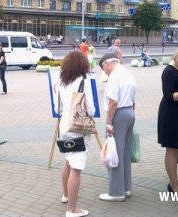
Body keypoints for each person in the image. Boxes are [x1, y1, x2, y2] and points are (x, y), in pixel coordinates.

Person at [57, 51, 95, 217]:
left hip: (64, 126)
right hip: (78, 129)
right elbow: (91, 109)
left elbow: (58, 108)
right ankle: (72, 209)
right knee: (76, 168)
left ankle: (66, 195)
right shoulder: (83, 82)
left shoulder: (61, 83)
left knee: (68, 161)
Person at [98, 52, 136, 202]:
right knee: (125, 153)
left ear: (108, 63)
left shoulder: (114, 76)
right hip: (129, 113)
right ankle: (126, 188)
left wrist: (109, 122)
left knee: (114, 154)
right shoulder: (128, 74)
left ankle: (116, 192)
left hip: (118, 115)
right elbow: (133, 101)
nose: (104, 71)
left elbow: (113, 102)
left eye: (103, 68)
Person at [157, 45, 178, 193]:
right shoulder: (168, 71)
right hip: (171, 114)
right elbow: (168, 96)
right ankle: (174, 185)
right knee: (172, 149)